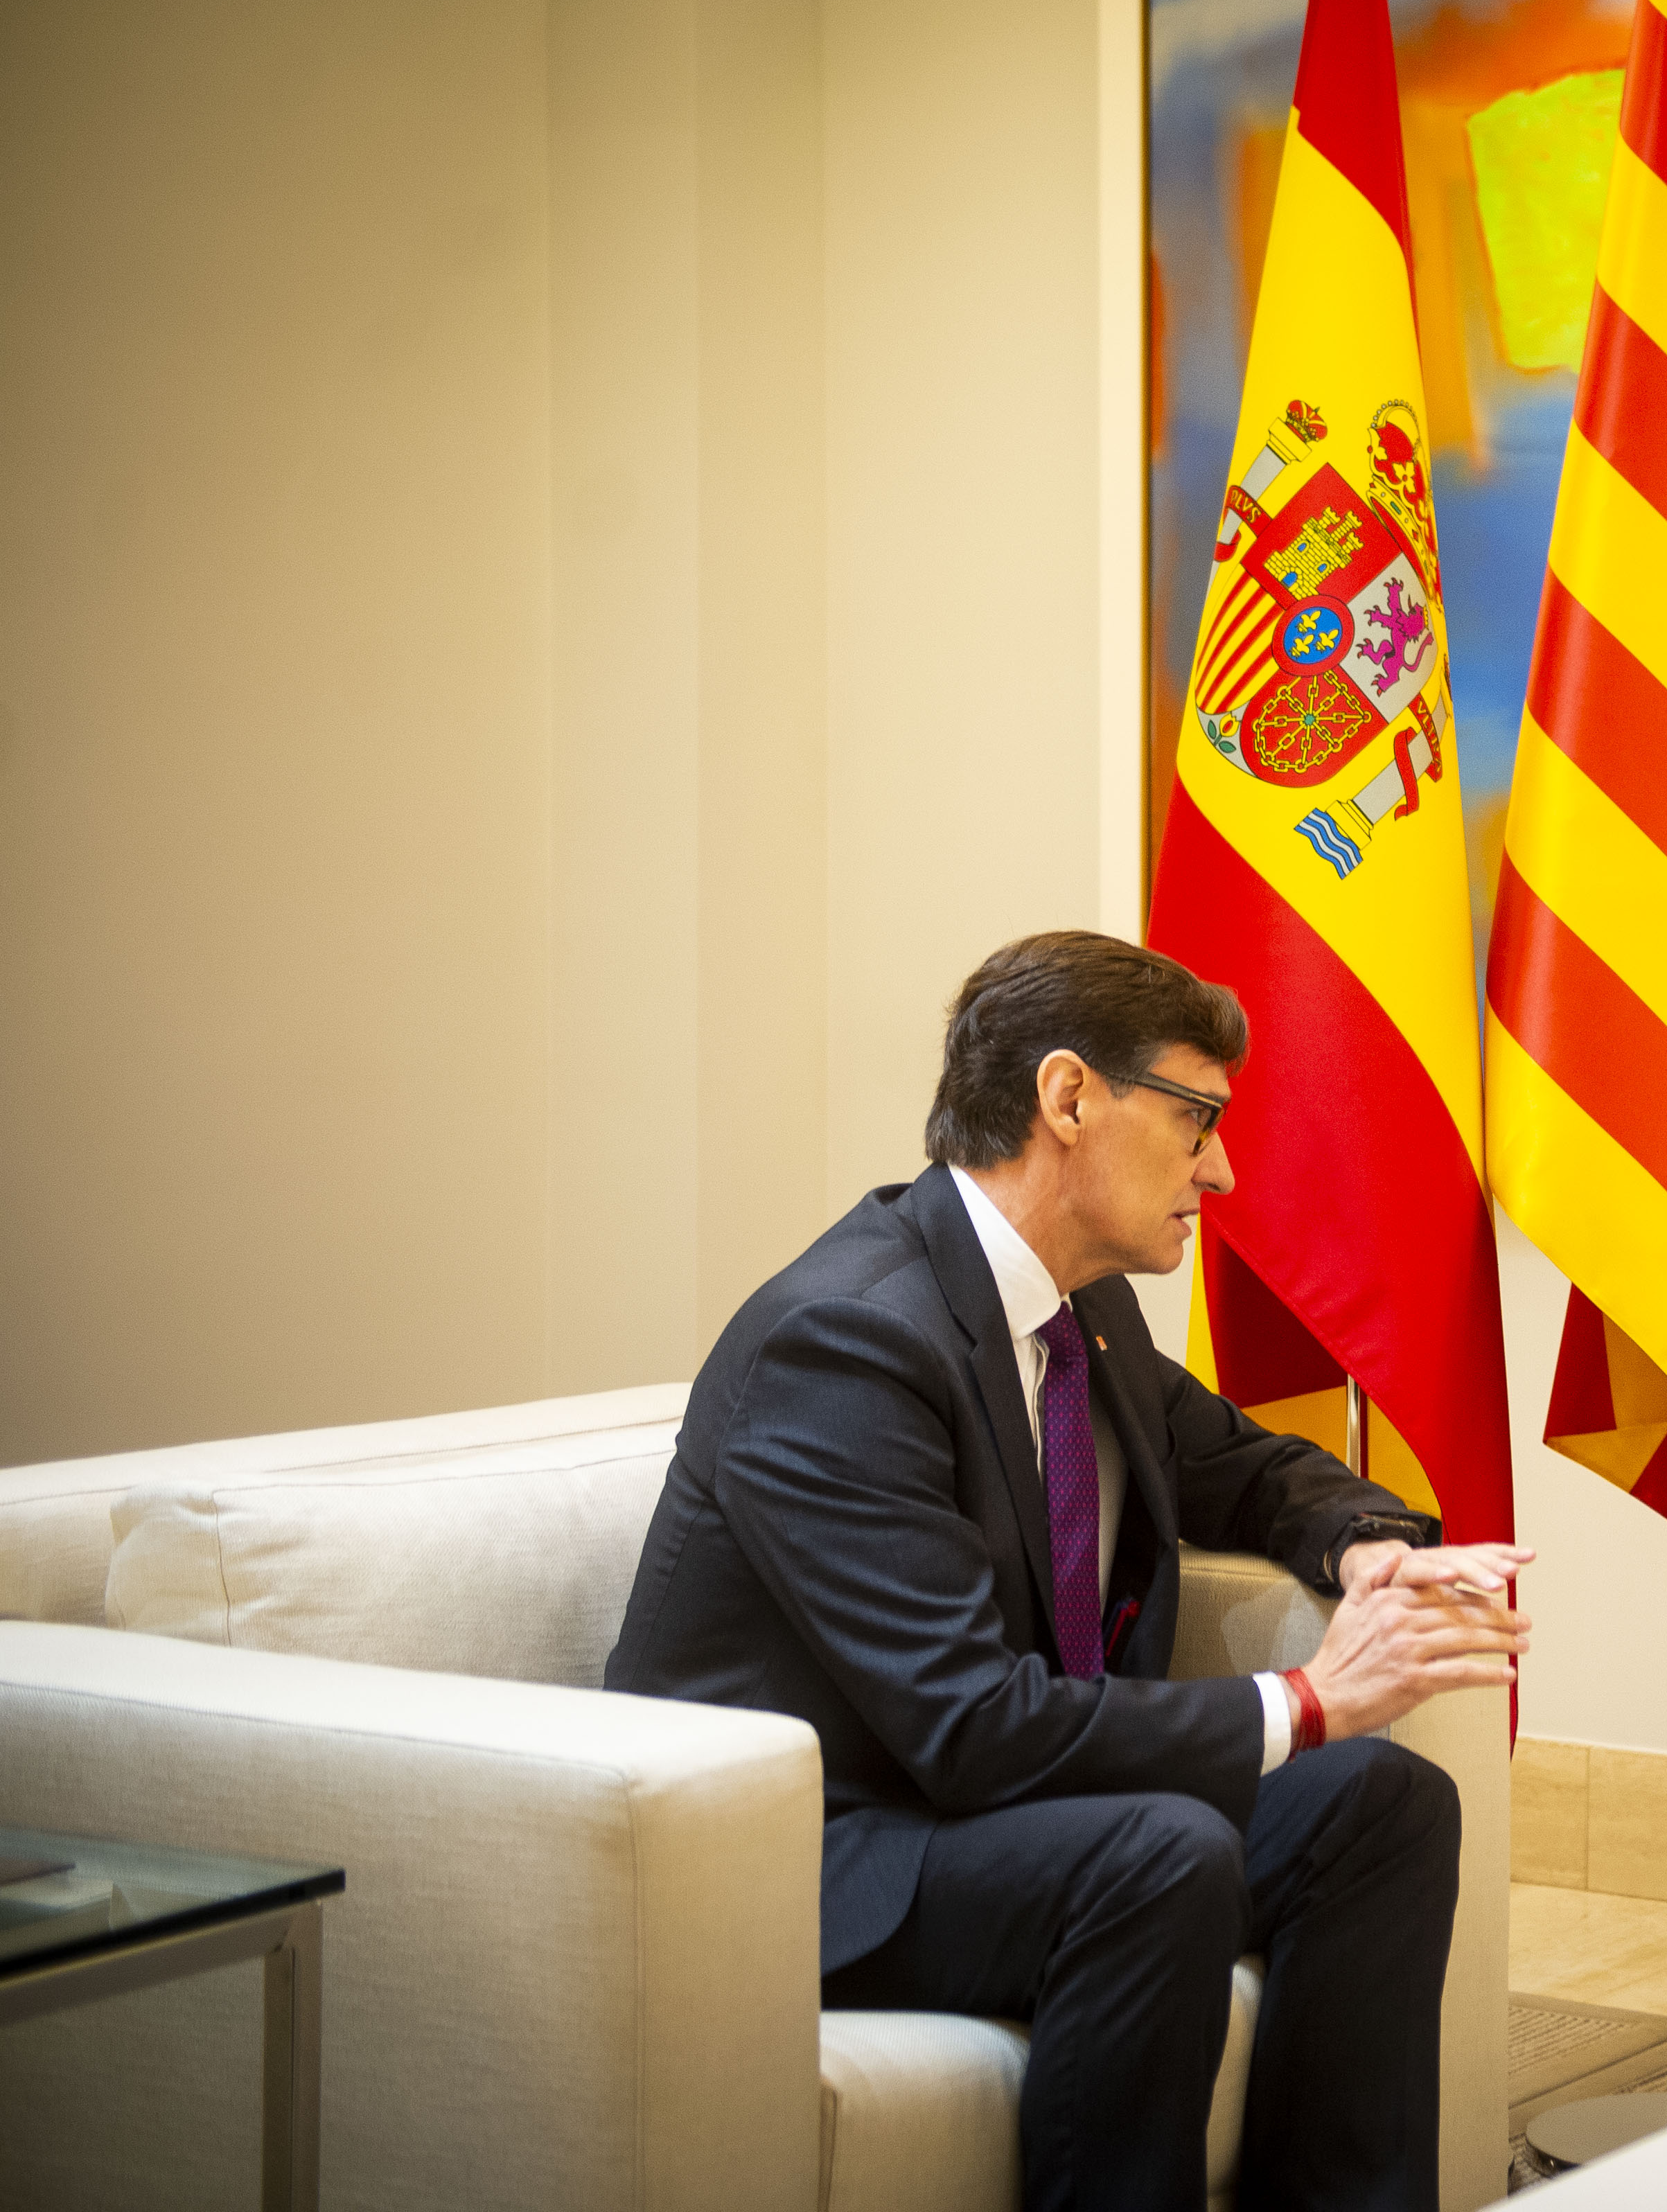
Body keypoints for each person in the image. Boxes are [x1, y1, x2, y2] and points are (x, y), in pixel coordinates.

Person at [606, 930, 1528, 2211]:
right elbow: (969, 1725)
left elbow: (1240, 1466)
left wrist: (1362, 1546)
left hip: (983, 1809)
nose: (1225, 1165)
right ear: (1068, 1098)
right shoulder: (847, 1341)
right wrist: (1306, 1700)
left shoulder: (1076, 1306)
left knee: (1384, 1807)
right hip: (830, 1853)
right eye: (1196, 1116)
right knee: (1159, 1853)